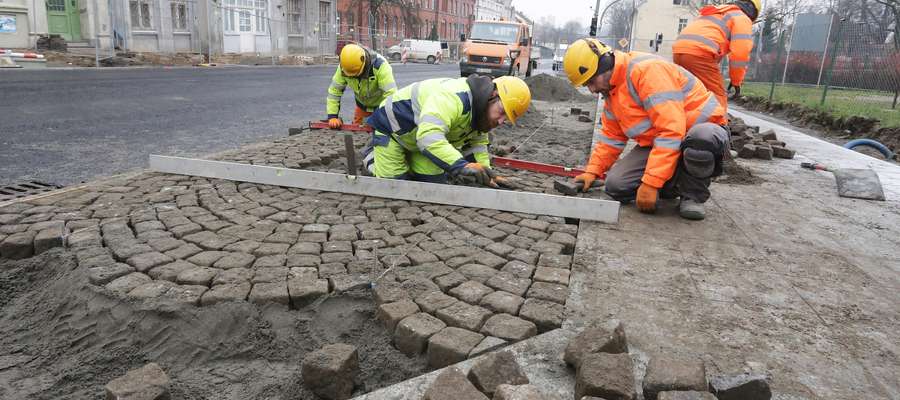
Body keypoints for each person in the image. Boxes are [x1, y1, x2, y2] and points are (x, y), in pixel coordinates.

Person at [562, 38, 729, 220]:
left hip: (702, 132)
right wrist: (592, 171)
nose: (592, 90)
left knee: (700, 141)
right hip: (663, 141)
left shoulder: (648, 71)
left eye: (591, 81)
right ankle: (673, 180)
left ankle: (692, 196)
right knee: (616, 185)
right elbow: (612, 138)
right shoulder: (612, 92)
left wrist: (651, 183)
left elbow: (671, 131)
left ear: (604, 66)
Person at [363, 75, 531, 187]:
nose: (501, 121)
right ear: (492, 95)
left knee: (433, 184)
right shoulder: (454, 98)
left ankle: (409, 160)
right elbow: (429, 137)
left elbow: (476, 145)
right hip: (392, 130)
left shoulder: (481, 112)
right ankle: (371, 157)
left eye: (507, 118)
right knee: (395, 185)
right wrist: (460, 166)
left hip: (417, 140)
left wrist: (488, 176)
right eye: (502, 111)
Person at [672, 0, 760, 112]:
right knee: (717, 96)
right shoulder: (742, 18)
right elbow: (740, 54)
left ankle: (684, 123)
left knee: (690, 93)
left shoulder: (716, 12)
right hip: (700, 54)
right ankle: (719, 126)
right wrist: (736, 81)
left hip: (679, 51)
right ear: (753, 13)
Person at [326, 43, 397, 129]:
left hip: (381, 108)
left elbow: (391, 95)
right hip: (362, 107)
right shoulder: (344, 67)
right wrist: (332, 116)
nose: (353, 77)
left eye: (356, 74)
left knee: (382, 134)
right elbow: (334, 91)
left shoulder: (380, 66)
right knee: (357, 132)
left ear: (363, 62)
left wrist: (385, 117)